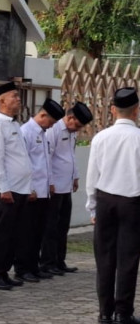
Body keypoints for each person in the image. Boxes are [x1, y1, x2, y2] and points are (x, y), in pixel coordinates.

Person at [86, 87, 140, 324]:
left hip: (105, 201)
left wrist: (92, 207)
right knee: (128, 259)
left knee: (105, 258)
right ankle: (123, 312)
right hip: (133, 202)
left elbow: (92, 176)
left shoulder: (101, 137)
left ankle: (105, 312)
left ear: (112, 110)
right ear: (136, 111)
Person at [0, 82, 32, 291]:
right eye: (14, 96)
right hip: (8, 190)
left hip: (21, 188)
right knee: (1, 234)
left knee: (14, 234)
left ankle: (4, 271)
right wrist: (3, 188)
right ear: (2, 101)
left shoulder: (15, 125)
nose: (18, 99)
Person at [15, 98, 65, 283]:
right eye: (51, 122)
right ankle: (22, 268)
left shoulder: (43, 134)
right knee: (26, 233)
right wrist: (29, 188)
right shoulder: (25, 132)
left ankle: (33, 266)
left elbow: (46, 162)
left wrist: (50, 183)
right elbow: (24, 163)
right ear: (42, 115)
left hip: (43, 192)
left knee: (38, 232)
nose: (51, 126)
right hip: (31, 193)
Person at [41, 101, 93, 276]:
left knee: (63, 226)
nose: (77, 129)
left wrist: (75, 176)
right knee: (50, 226)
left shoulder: (71, 133)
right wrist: (50, 182)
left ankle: (59, 260)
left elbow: (70, 155)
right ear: (70, 117)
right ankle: (47, 262)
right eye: (76, 124)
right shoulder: (54, 129)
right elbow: (47, 157)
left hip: (66, 187)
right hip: (54, 187)